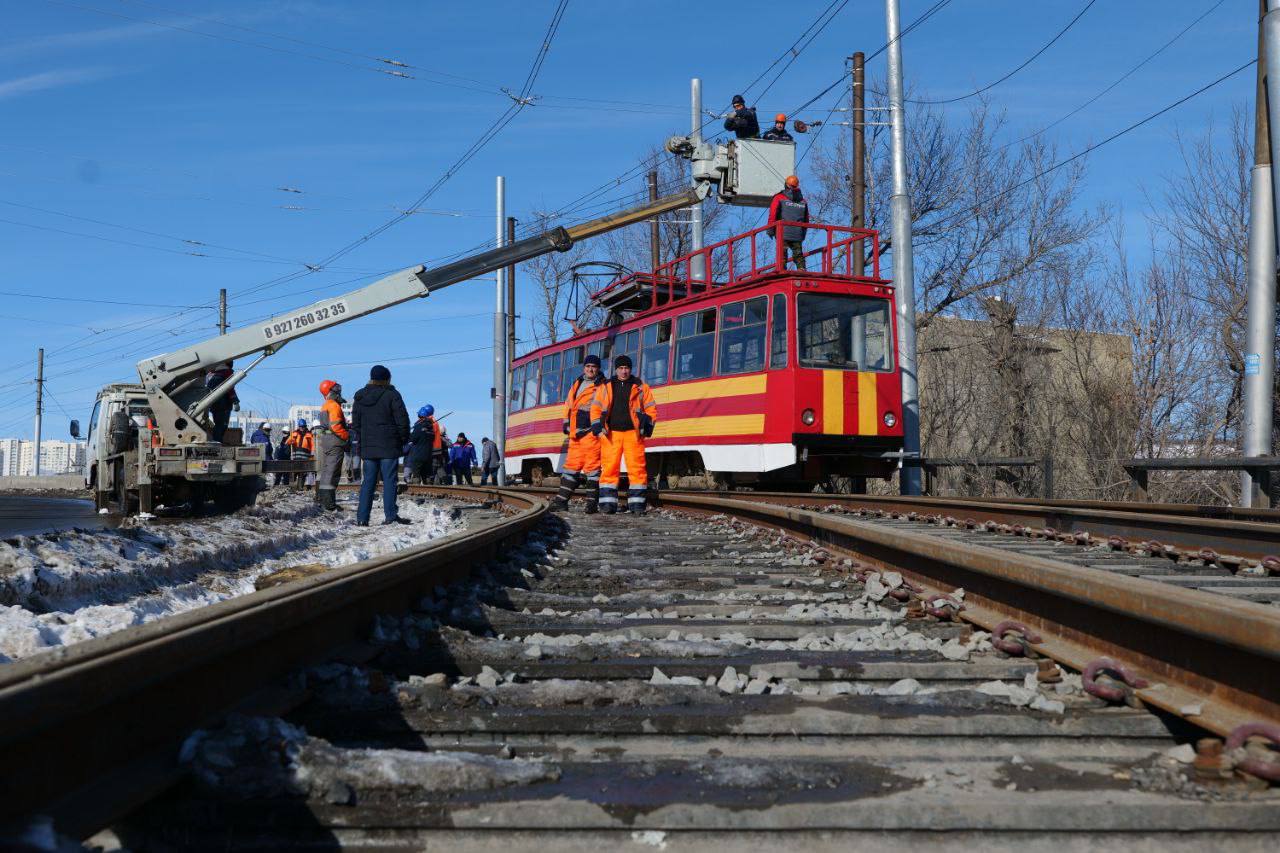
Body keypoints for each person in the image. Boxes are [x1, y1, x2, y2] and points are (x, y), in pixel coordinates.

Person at [590, 354, 658, 516]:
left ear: (630, 369)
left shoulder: (641, 387)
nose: (624, 371)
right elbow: (595, 409)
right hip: (610, 434)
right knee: (609, 470)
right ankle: (607, 505)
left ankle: (637, 506)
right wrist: (598, 430)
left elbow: (651, 410)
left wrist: (645, 429)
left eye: (626, 368)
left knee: (637, 469)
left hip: (633, 435)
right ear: (616, 369)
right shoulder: (605, 386)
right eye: (621, 368)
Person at [351, 364, 412, 526]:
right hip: (389, 445)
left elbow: (355, 424)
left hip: (368, 446)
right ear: (386, 378)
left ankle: (362, 519)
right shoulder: (392, 395)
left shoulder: (360, 397)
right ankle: (391, 516)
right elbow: (402, 420)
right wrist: (403, 439)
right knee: (390, 480)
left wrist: (364, 437)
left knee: (368, 481)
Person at [550, 353, 605, 513]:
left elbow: (602, 407)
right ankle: (561, 502)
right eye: (588, 366)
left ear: (598, 369)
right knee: (570, 468)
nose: (590, 369)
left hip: (590, 433)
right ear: (584, 368)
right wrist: (566, 423)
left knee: (592, 469)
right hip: (575, 434)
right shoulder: (577, 383)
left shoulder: (602, 385)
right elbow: (568, 404)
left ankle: (591, 505)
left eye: (593, 367)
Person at [315, 379, 350, 511]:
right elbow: (335, 425)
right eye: (336, 388)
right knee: (333, 471)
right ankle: (328, 503)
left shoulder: (326, 405)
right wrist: (346, 435)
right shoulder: (334, 405)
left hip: (327, 440)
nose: (339, 390)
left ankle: (324, 499)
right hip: (335, 440)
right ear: (330, 390)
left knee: (327, 470)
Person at [767, 175, 810, 271]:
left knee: (782, 254)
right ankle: (801, 268)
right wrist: (802, 234)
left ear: (786, 184)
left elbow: (773, 214)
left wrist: (770, 229)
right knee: (798, 253)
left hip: (783, 232)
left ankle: (781, 270)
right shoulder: (803, 201)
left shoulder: (779, 197)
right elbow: (806, 220)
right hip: (797, 233)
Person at [204, 361, 238, 443]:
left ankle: (216, 440)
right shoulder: (227, 372)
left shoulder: (209, 374)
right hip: (224, 404)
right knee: (222, 425)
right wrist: (235, 401)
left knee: (217, 423)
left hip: (212, 404)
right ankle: (217, 441)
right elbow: (230, 388)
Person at [408, 405, 441, 484]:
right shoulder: (431, 428)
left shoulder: (418, 426)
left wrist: (408, 433)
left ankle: (416, 490)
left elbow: (413, 439)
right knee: (426, 476)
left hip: (417, 455)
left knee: (416, 475)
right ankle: (429, 490)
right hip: (428, 455)